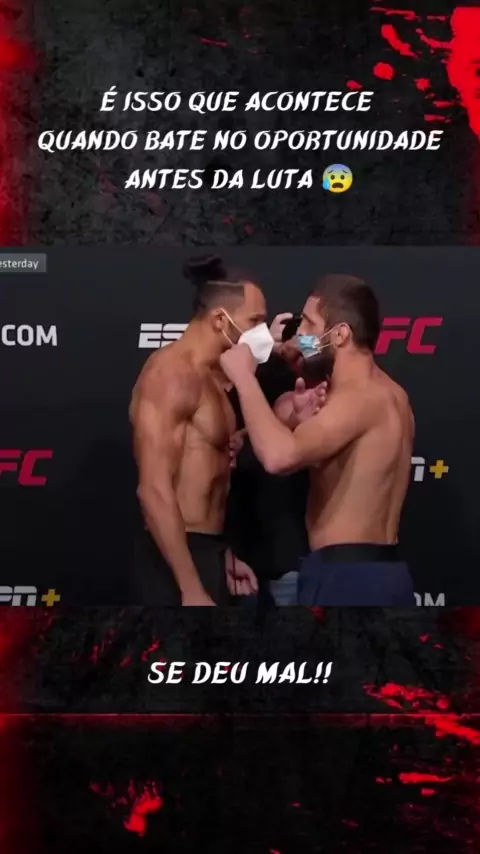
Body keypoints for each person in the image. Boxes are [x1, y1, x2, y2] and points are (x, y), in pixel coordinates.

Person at [220, 273, 415, 606]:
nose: (301, 335)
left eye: (309, 325)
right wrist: (285, 354)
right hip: (381, 570)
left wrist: (243, 377)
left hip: (347, 580)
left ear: (340, 334)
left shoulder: (356, 399)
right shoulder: (390, 393)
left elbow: (279, 457)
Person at [129, 256, 271, 606]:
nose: (262, 333)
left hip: (208, 550)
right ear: (220, 319)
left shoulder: (210, 378)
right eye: (255, 321)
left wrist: (222, 558)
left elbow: (204, 465)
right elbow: (153, 490)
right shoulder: (170, 374)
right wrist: (190, 587)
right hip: (173, 562)